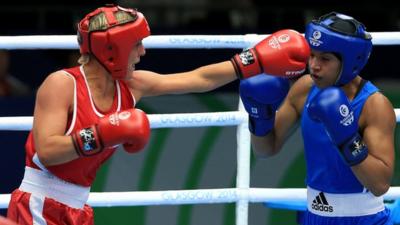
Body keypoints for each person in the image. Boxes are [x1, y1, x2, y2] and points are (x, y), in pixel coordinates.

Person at [6, 4, 310, 225]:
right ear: (114, 48)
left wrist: (252, 59)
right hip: (39, 203)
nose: (142, 53)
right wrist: (100, 134)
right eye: (136, 45)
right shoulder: (62, 84)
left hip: (78, 208)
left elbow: (198, 79)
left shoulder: (131, 86)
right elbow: (47, 151)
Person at [240, 12, 396, 224]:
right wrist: (259, 114)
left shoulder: (374, 105)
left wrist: (347, 138)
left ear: (350, 61)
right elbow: (265, 149)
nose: (313, 65)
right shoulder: (304, 88)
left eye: (325, 58)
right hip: (315, 216)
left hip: (365, 219)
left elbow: (380, 185)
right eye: (311, 55)